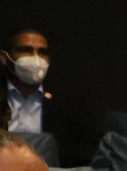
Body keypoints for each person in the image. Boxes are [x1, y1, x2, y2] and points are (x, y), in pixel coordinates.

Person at [3, 28, 89, 163]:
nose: (35, 58)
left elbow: (82, 151)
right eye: (25, 50)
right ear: (4, 58)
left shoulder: (66, 103)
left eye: (42, 52)